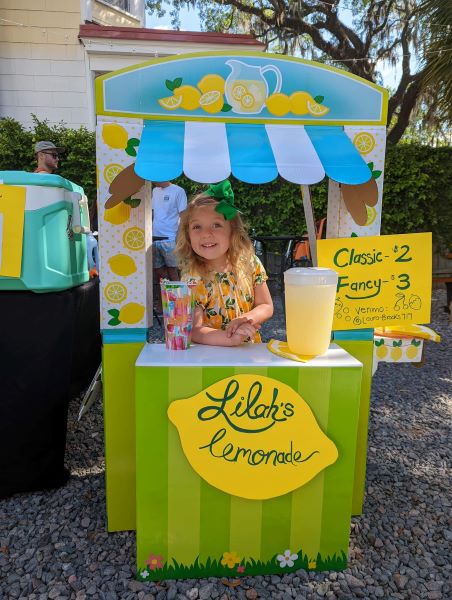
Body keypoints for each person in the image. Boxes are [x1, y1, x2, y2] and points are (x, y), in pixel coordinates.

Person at [175, 180, 273, 346]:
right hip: (212, 356)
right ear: (188, 235)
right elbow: (194, 330)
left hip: (249, 352)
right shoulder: (193, 278)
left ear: (233, 231)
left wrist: (247, 318)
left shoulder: (250, 263)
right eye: (197, 227)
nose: (206, 233)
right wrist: (230, 338)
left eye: (216, 225)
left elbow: (265, 305)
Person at [152, 181, 188, 283]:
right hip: (154, 238)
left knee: (173, 270)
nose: (152, 180)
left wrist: (179, 238)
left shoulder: (178, 191)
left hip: (170, 238)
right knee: (157, 269)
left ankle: (177, 291)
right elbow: (153, 213)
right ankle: (169, 288)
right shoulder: (155, 191)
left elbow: (184, 216)